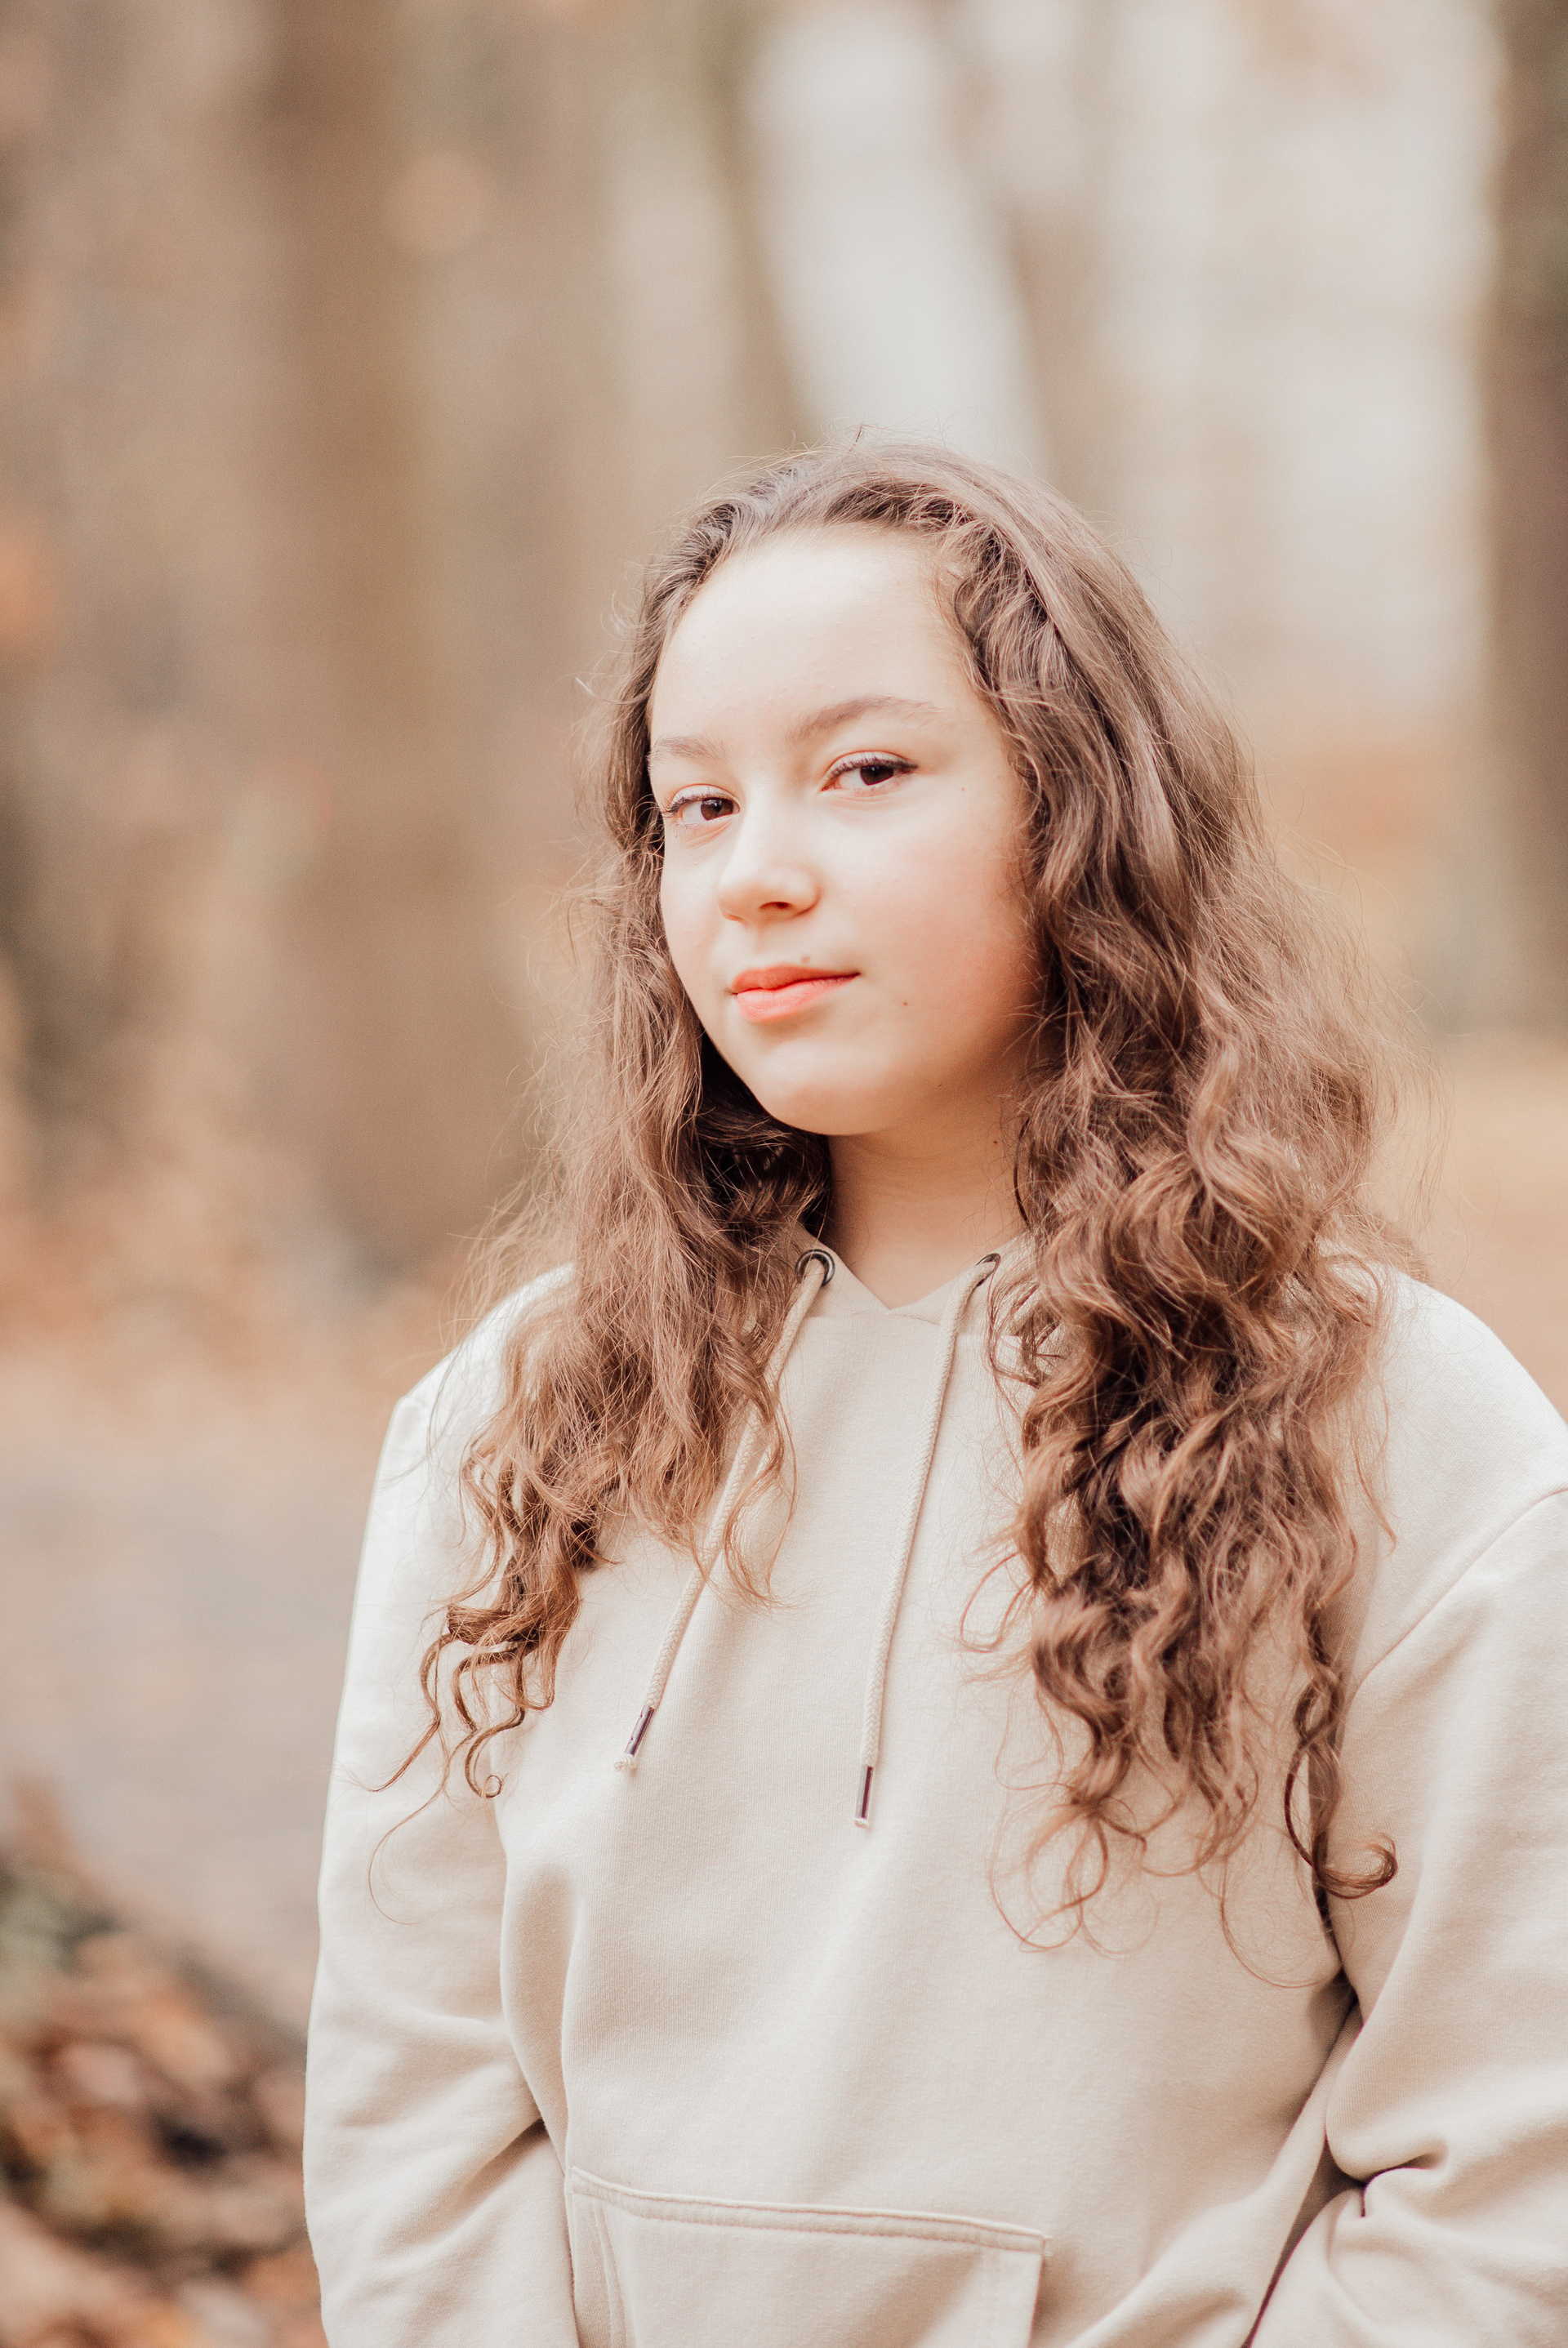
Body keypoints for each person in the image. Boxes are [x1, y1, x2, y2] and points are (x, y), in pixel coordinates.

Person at [302, 443, 1568, 2346]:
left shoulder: (1392, 1429)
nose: (759, 871)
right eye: (697, 805)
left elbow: (1513, 2155)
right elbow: (416, 2117)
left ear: (1081, 810)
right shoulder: (518, 1423)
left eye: (868, 771)